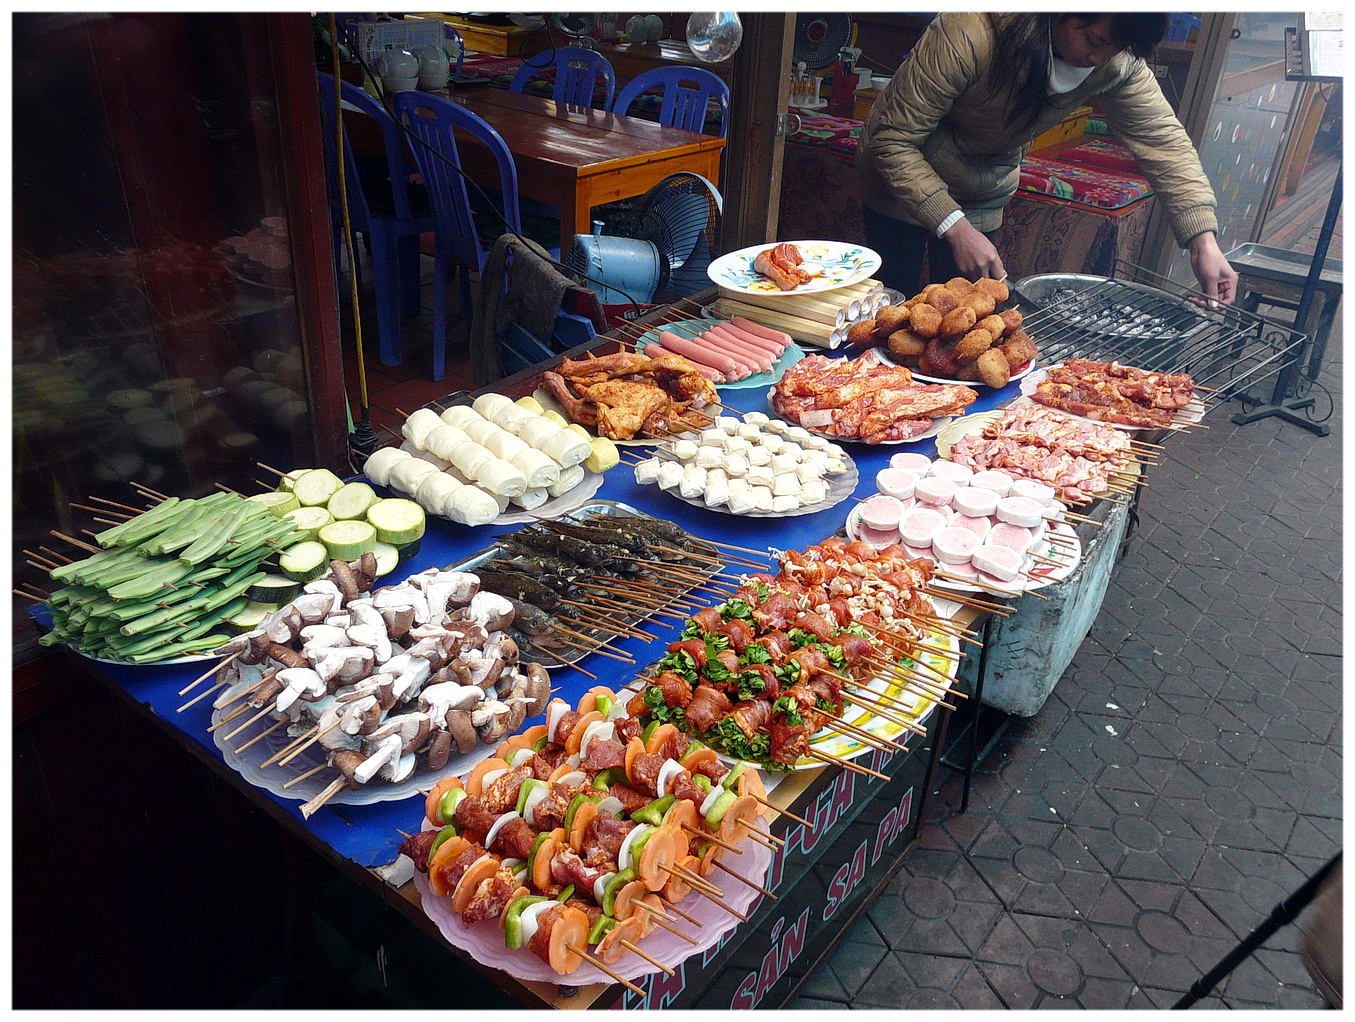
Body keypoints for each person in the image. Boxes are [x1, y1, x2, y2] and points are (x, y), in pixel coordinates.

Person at [857, 12, 1238, 303]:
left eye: (1113, 49)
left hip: (982, 184)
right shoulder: (970, 31)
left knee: (965, 316)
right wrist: (954, 226)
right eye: (1093, 39)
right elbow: (893, 140)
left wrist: (1202, 242)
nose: (1097, 57)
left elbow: (1165, 144)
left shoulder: (1114, 60)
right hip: (900, 180)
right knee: (892, 303)